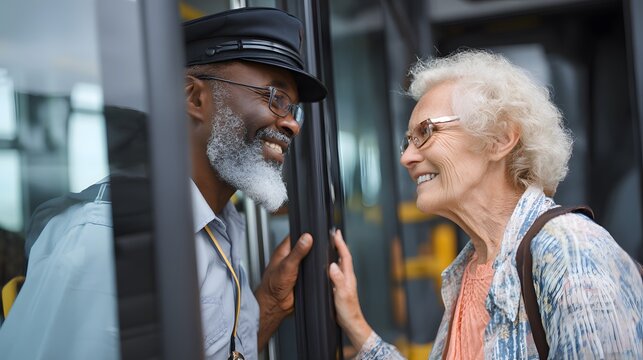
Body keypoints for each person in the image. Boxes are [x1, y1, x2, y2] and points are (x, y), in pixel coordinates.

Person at [0, 7, 326, 360]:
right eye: (276, 98)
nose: (293, 124)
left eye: (294, 109)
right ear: (194, 98)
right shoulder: (107, 241)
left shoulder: (221, 227)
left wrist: (272, 304)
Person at [329, 50, 643, 359]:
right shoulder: (469, 270)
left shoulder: (568, 249)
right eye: (408, 140)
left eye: (425, 132)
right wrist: (358, 327)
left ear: (499, 139)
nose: (406, 157)